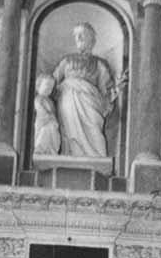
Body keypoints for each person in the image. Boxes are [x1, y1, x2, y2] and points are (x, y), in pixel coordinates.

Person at [51, 22, 125, 158]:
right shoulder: (67, 61)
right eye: (76, 35)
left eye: (82, 34)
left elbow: (106, 90)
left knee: (94, 130)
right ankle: (71, 155)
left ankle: (97, 157)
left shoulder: (100, 64)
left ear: (91, 39)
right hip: (68, 100)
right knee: (69, 130)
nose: (78, 38)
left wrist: (116, 89)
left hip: (90, 102)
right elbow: (52, 82)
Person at [33, 73, 62, 155]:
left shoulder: (50, 101)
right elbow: (40, 108)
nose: (48, 89)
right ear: (39, 86)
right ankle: (40, 149)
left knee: (53, 134)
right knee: (44, 133)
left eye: (50, 88)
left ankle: (52, 149)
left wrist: (53, 117)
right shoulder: (39, 99)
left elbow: (53, 112)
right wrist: (48, 115)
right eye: (47, 86)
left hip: (51, 122)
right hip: (43, 122)